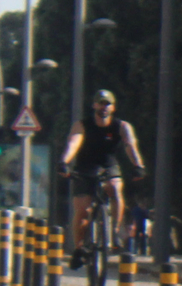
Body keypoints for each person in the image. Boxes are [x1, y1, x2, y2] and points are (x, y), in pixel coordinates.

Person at [57, 89, 145, 266]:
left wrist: (138, 166)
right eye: (100, 103)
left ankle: (114, 232)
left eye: (107, 104)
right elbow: (73, 143)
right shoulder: (82, 125)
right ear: (94, 105)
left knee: (115, 187)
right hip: (85, 167)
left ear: (113, 108)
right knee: (82, 211)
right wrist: (64, 162)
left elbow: (130, 146)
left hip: (109, 166)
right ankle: (79, 248)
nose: (103, 108)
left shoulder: (122, 126)